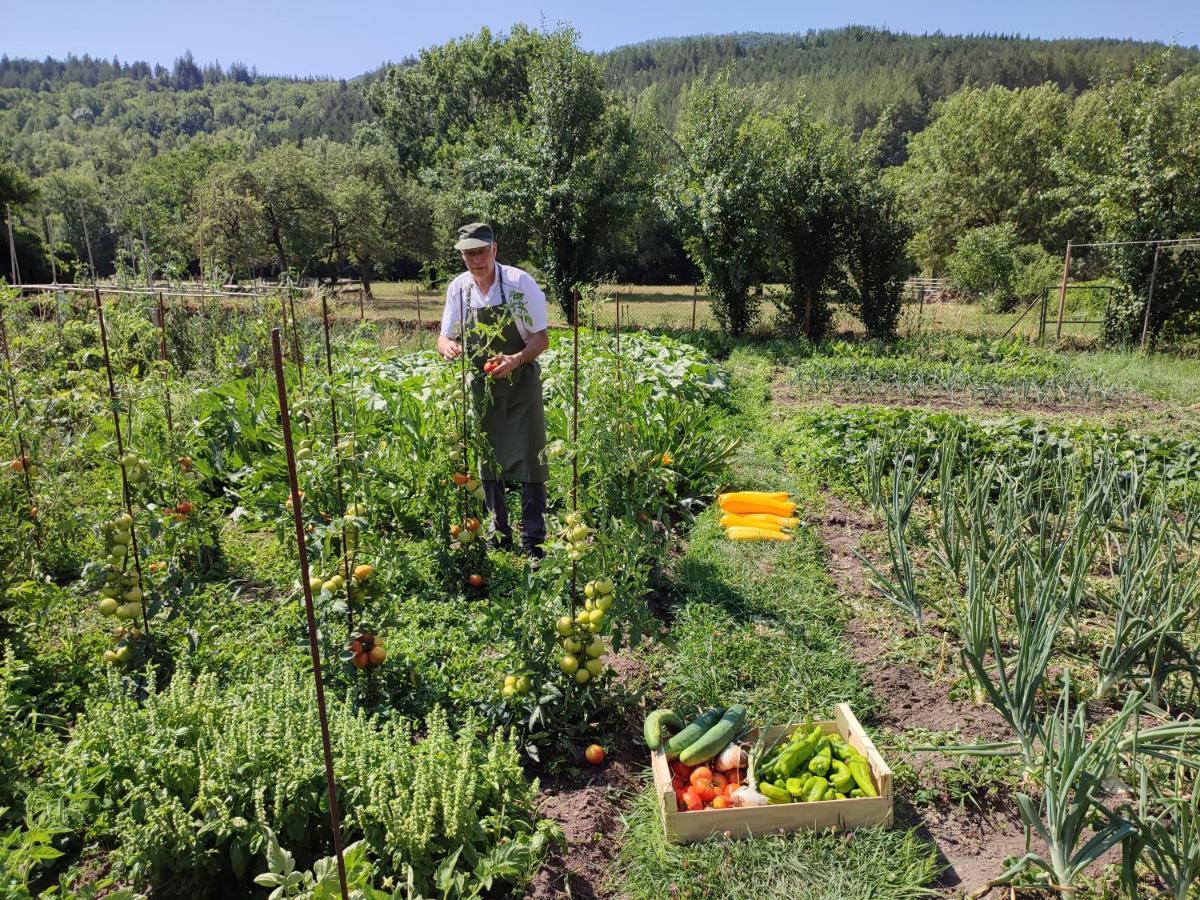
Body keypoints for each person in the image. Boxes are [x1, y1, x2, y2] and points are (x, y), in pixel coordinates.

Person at [436, 222, 550, 558]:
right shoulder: (459, 289)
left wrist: (514, 359)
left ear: (494, 250)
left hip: (521, 382)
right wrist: (446, 346)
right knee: (489, 461)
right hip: (483, 388)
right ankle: (498, 532)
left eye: (481, 252)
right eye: (468, 254)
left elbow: (541, 339)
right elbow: (445, 335)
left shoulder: (518, 284)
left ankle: (534, 540)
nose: (475, 260)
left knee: (531, 459)